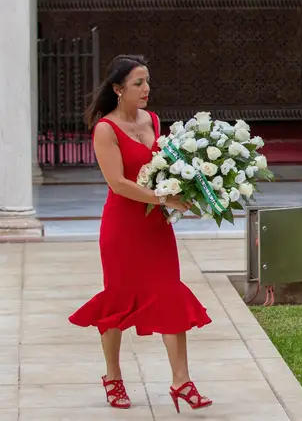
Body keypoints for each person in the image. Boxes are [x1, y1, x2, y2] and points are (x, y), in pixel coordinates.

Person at [69, 54, 213, 412]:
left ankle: (182, 382)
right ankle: (113, 378)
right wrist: (164, 198)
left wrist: (188, 189)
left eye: (148, 82)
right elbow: (117, 184)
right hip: (123, 227)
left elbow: (161, 166)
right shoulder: (105, 129)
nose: (147, 89)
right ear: (118, 89)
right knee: (119, 299)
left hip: (156, 226)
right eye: (138, 83)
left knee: (169, 294)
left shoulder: (152, 120)